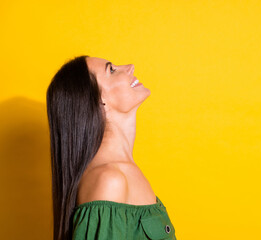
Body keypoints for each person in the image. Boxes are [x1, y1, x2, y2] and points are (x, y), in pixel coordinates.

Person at [46, 55, 176, 240]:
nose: (130, 67)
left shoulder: (124, 172)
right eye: (112, 70)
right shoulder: (109, 181)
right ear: (99, 101)